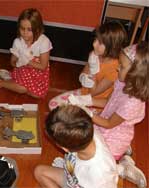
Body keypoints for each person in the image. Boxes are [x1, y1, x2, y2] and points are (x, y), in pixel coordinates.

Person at [68, 41, 149, 188]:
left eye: (122, 66)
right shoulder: (122, 81)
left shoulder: (133, 102)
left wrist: (89, 114)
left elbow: (109, 123)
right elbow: (108, 101)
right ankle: (123, 153)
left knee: (97, 161)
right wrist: (87, 100)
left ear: (136, 73)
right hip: (107, 124)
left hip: (112, 130)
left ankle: (123, 168)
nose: (118, 68)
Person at [49, 21, 127, 110]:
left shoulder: (115, 69)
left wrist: (93, 72)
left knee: (67, 117)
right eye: (96, 39)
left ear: (112, 46)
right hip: (84, 92)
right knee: (53, 105)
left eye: (100, 43)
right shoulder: (95, 54)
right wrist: (83, 76)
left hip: (96, 102)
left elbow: (93, 93)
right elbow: (85, 70)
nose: (94, 44)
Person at [34, 105, 118, 188]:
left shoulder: (99, 173)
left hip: (86, 182)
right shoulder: (85, 131)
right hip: (73, 178)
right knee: (39, 171)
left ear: (65, 149)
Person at [0, 8, 52, 98]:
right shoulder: (18, 42)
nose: (25, 33)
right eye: (22, 28)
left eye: (29, 29)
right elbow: (12, 62)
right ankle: (0, 82)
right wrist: (19, 62)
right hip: (22, 72)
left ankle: (10, 79)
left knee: (37, 95)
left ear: (38, 29)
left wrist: (28, 62)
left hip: (39, 75)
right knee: (22, 89)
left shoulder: (44, 42)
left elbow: (43, 67)